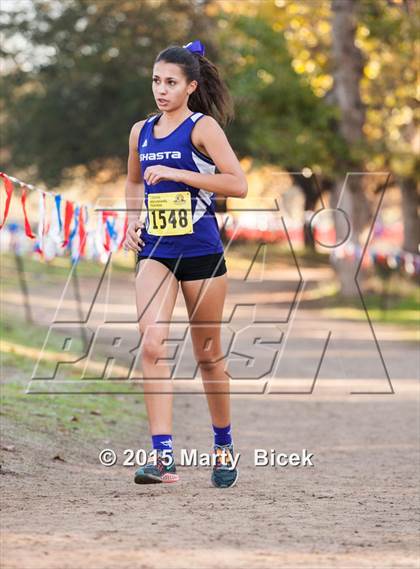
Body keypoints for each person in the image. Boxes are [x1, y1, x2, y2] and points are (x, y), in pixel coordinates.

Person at [123, 39, 247, 488]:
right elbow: (134, 182)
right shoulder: (140, 131)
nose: (161, 89)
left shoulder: (203, 128)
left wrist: (180, 174)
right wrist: (130, 222)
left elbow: (237, 183)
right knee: (152, 345)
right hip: (155, 251)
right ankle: (162, 458)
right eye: (156, 81)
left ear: (191, 86)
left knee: (208, 355)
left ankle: (223, 443)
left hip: (201, 253)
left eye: (171, 82)